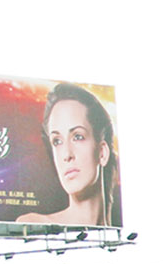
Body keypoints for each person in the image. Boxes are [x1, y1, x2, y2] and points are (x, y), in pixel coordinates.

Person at [19, 82, 120, 226]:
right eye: (57, 141)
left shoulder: (118, 235)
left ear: (102, 153)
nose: (67, 155)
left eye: (78, 136)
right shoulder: (34, 224)